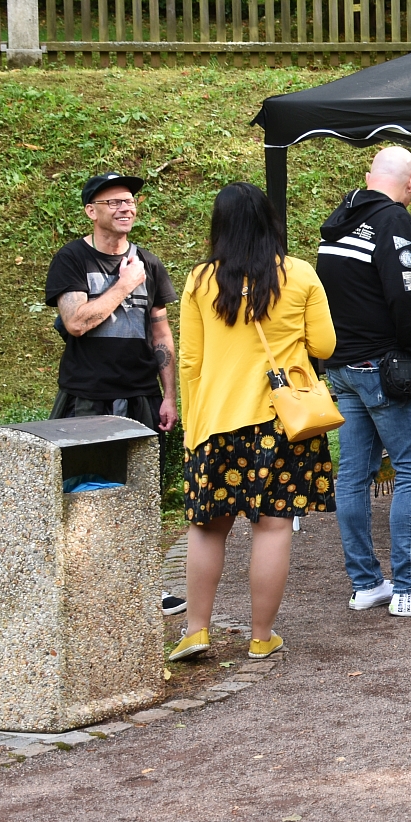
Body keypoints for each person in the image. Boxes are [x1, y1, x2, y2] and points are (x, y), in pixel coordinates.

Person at [168, 182, 337, 663]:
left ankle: (195, 631)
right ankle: (262, 637)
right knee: (272, 528)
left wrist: (193, 427)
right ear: (270, 221)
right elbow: (325, 346)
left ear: (219, 226)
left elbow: (191, 363)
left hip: (216, 422)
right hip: (281, 424)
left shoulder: (200, 280)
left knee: (207, 529)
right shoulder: (299, 274)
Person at [316, 146, 411, 618]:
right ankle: (409, 587)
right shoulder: (393, 220)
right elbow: (408, 294)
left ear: (369, 176)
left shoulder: (337, 222)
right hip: (384, 367)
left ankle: (367, 583)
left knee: (353, 476)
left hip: (342, 365)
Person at [46, 171, 185, 613]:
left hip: (141, 395)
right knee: (82, 495)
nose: (126, 207)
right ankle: (85, 590)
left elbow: (160, 332)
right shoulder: (72, 259)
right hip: (86, 396)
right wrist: (124, 285)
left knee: (140, 495)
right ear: (92, 211)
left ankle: (144, 588)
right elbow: (76, 322)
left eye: (130, 201)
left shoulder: (149, 262)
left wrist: (169, 396)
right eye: (114, 202)